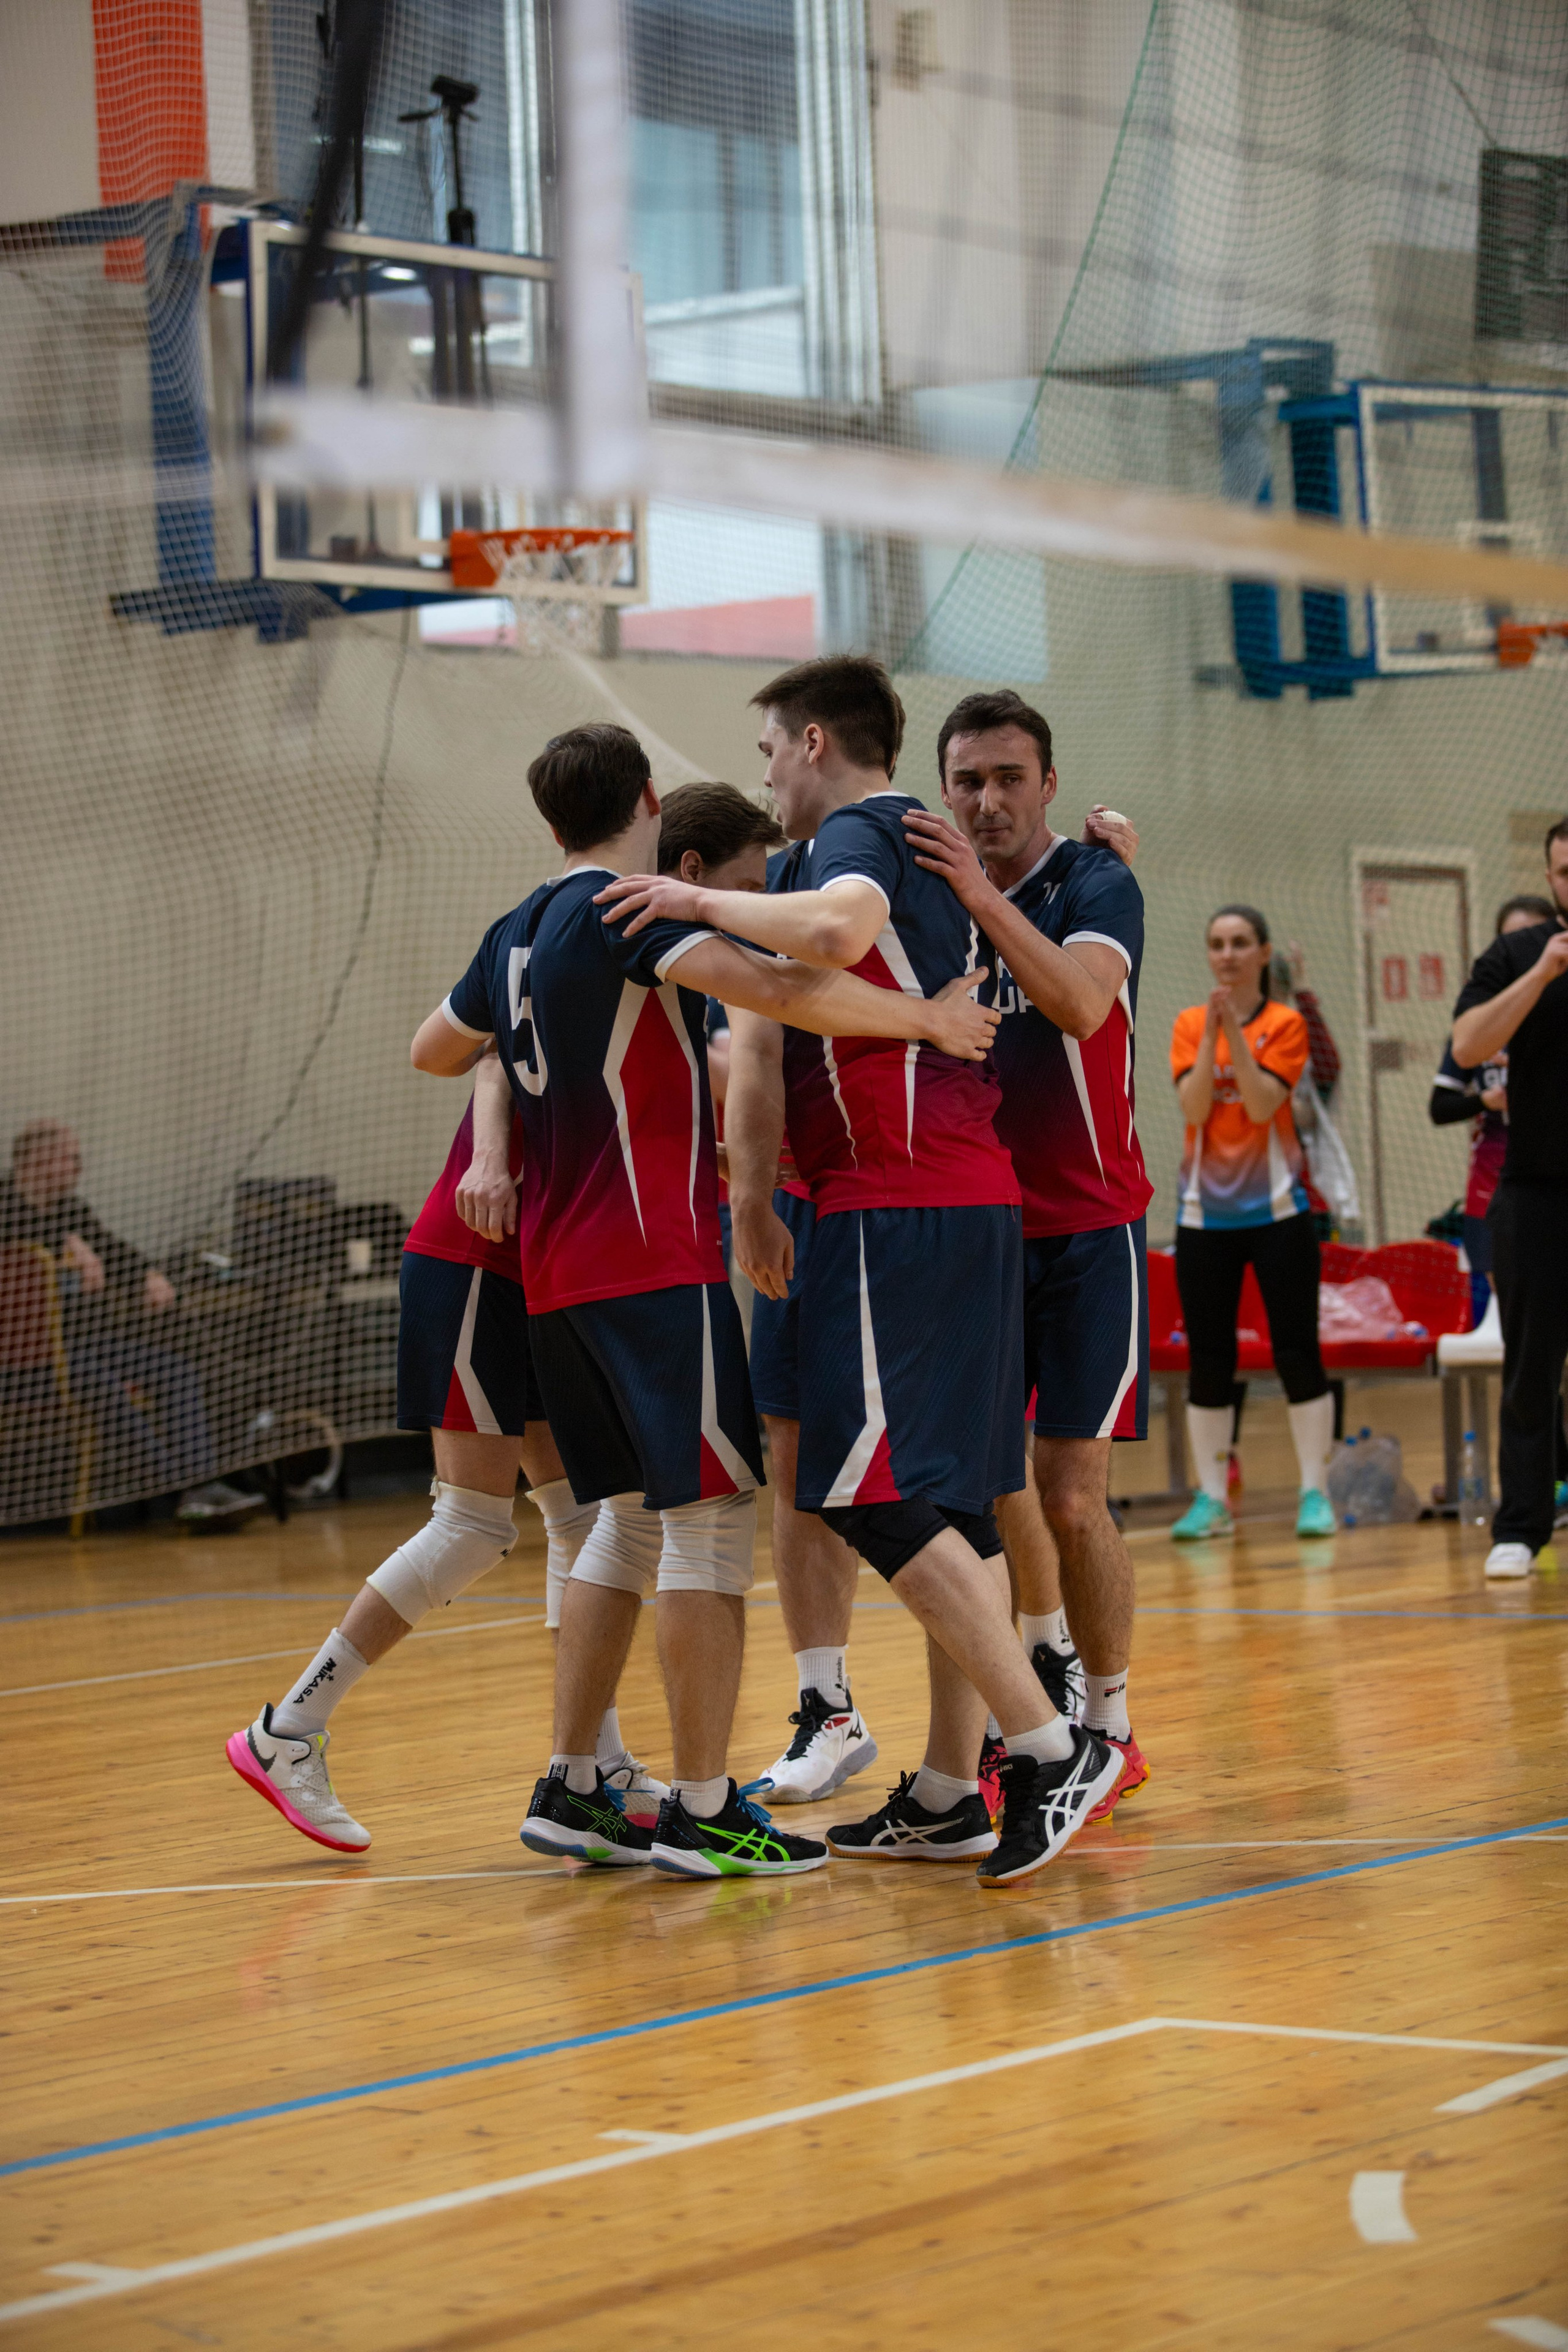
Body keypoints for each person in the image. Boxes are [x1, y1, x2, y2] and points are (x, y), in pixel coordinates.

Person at [420, 721, 1002, 1877]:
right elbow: (792, 995)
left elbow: (440, 1047)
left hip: (554, 1272)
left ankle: (574, 1781)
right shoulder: (627, 913)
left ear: (548, 823)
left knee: (619, 1525)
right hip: (651, 1259)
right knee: (711, 1527)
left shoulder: (515, 931)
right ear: (646, 798)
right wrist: (932, 1019)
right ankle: (700, 1806)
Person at [603, 660, 1121, 1887]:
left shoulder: (862, 830)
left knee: (854, 1489)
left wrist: (687, 907)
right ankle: (950, 1788)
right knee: (944, 1503)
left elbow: (824, 945)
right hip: (954, 1199)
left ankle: (1041, 1748)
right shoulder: (882, 853)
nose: (766, 771)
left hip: (902, 1203)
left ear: (815, 740)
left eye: (772, 749)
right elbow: (801, 991)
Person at [224, 1057, 663, 1852]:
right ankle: (287, 1729)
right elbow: (465, 1049)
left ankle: (596, 1764)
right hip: (476, 1267)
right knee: (472, 1524)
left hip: (534, 1276)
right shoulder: (576, 966)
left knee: (582, 1516)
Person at [902, 689, 1153, 1825]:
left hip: (1093, 1229)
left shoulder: (1097, 883)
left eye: (1009, 777)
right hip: (977, 1229)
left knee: (1070, 1490)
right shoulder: (921, 899)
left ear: (1049, 784)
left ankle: (1111, 1722)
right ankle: (1043, 1676)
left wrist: (977, 896)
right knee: (987, 1487)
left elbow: (1082, 1005)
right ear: (941, 787)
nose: (988, 799)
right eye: (968, 780)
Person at [1169, 905, 1336, 1541]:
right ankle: (1212, 1500)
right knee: (1209, 1358)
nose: (1228, 954)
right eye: (1217, 944)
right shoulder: (1189, 1024)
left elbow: (1264, 1104)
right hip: (1202, 1217)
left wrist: (1235, 1035)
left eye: (1240, 944)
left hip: (1279, 1214)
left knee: (1297, 1351)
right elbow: (1193, 1105)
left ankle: (1313, 1493)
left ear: (1264, 954)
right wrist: (1212, 1030)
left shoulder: (1286, 1024)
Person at [0, 1118, 254, 1523]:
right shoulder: (6, 1206)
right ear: (41, 1160)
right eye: (71, 1157)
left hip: (84, 1349)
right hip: (25, 1366)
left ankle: (201, 1487)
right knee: (101, 1385)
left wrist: (148, 1275)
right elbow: (23, 1253)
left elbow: (113, 1251)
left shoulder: (72, 1210)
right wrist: (65, 1246)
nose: (79, 1167)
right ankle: (186, 1489)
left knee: (176, 1371)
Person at [1450, 819, 1568, 1580]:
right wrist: (1540, 977)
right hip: (1537, 1190)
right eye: (1564, 870)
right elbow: (1464, 1047)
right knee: (1529, 1365)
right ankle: (1521, 1526)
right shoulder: (1519, 953)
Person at [655, 781, 787, 1273]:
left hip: (678, 1185)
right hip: (643, 1214)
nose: (756, 907)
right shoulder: (654, 944)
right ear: (692, 869)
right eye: (748, 890)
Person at [1431, 894, 1559, 1338]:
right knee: (1512, 1334)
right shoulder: (1481, 1023)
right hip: (1495, 1187)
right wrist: (1486, 1102)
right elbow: (1439, 1106)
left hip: (1554, 1177)